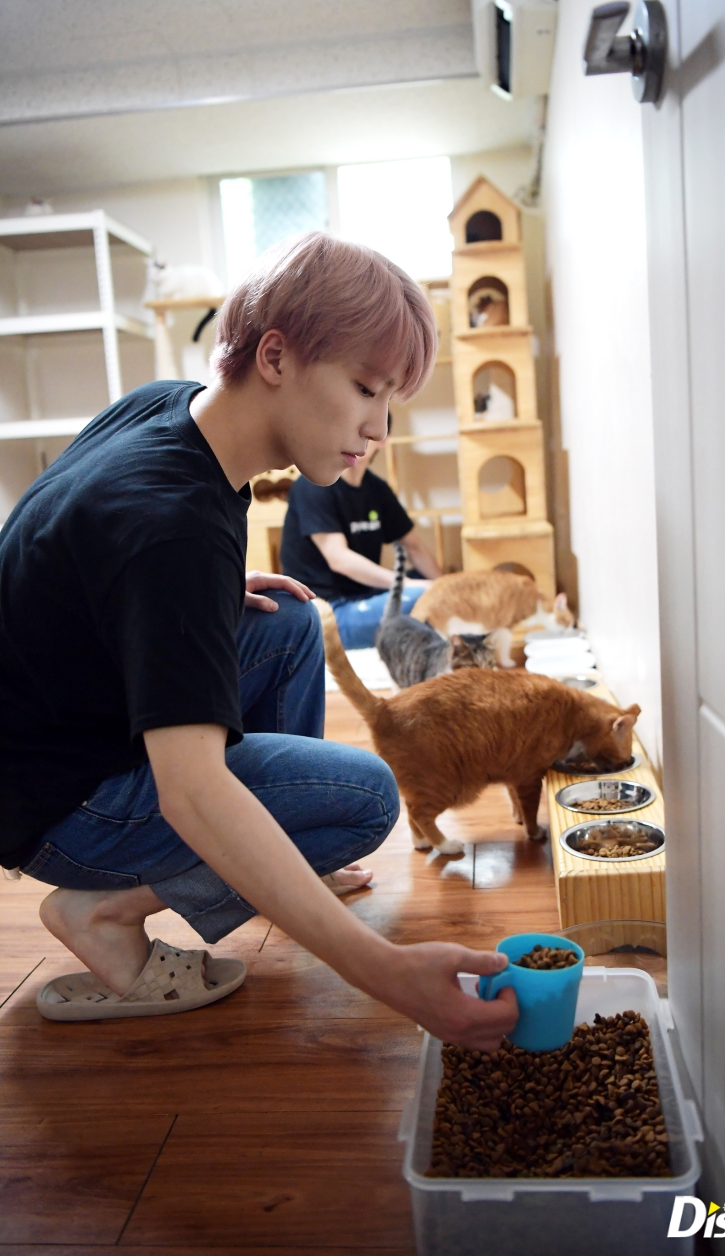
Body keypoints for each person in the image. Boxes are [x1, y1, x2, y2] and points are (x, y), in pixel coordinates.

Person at [0, 232, 516, 1046]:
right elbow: (193, 793)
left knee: (288, 622)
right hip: (61, 805)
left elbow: (69, 542)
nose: (378, 427)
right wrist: (386, 972)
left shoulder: (169, 407)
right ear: (275, 356)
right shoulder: (172, 528)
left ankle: (283, 859)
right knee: (366, 799)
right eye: (365, 388)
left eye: (389, 400)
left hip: (47, 724)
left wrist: (187, 598)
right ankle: (105, 908)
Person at [282, 418, 442, 648]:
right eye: (350, 428)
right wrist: (407, 585)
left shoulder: (377, 489)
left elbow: (414, 547)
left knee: (429, 584)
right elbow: (339, 559)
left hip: (365, 596)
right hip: (328, 613)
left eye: (367, 432)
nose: (355, 439)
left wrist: (446, 587)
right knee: (419, 595)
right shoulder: (314, 484)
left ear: (383, 439)